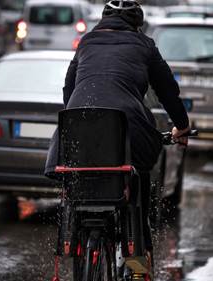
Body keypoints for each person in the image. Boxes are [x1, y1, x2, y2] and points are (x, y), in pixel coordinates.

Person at [45, 0, 190, 262]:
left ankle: (73, 235)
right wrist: (182, 125)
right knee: (140, 170)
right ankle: (139, 243)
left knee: (77, 172)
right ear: (137, 25)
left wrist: (79, 119)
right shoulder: (145, 45)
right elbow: (167, 90)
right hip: (128, 123)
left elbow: (68, 89)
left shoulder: (87, 42)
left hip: (78, 122)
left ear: (103, 21)